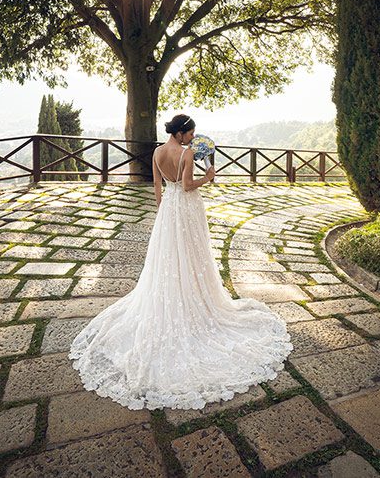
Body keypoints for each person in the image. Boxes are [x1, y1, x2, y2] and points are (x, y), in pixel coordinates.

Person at [68, 113, 293, 410]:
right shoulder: (186, 154)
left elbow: (158, 187)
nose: (192, 138)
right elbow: (188, 185)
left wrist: (164, 212)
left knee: (168, 256)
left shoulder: (158, 153)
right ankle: (196, 295)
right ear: (182, 133)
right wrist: (208, 177)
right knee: (193, 253)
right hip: (187, 206)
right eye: (191, 134)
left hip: (169, 210)